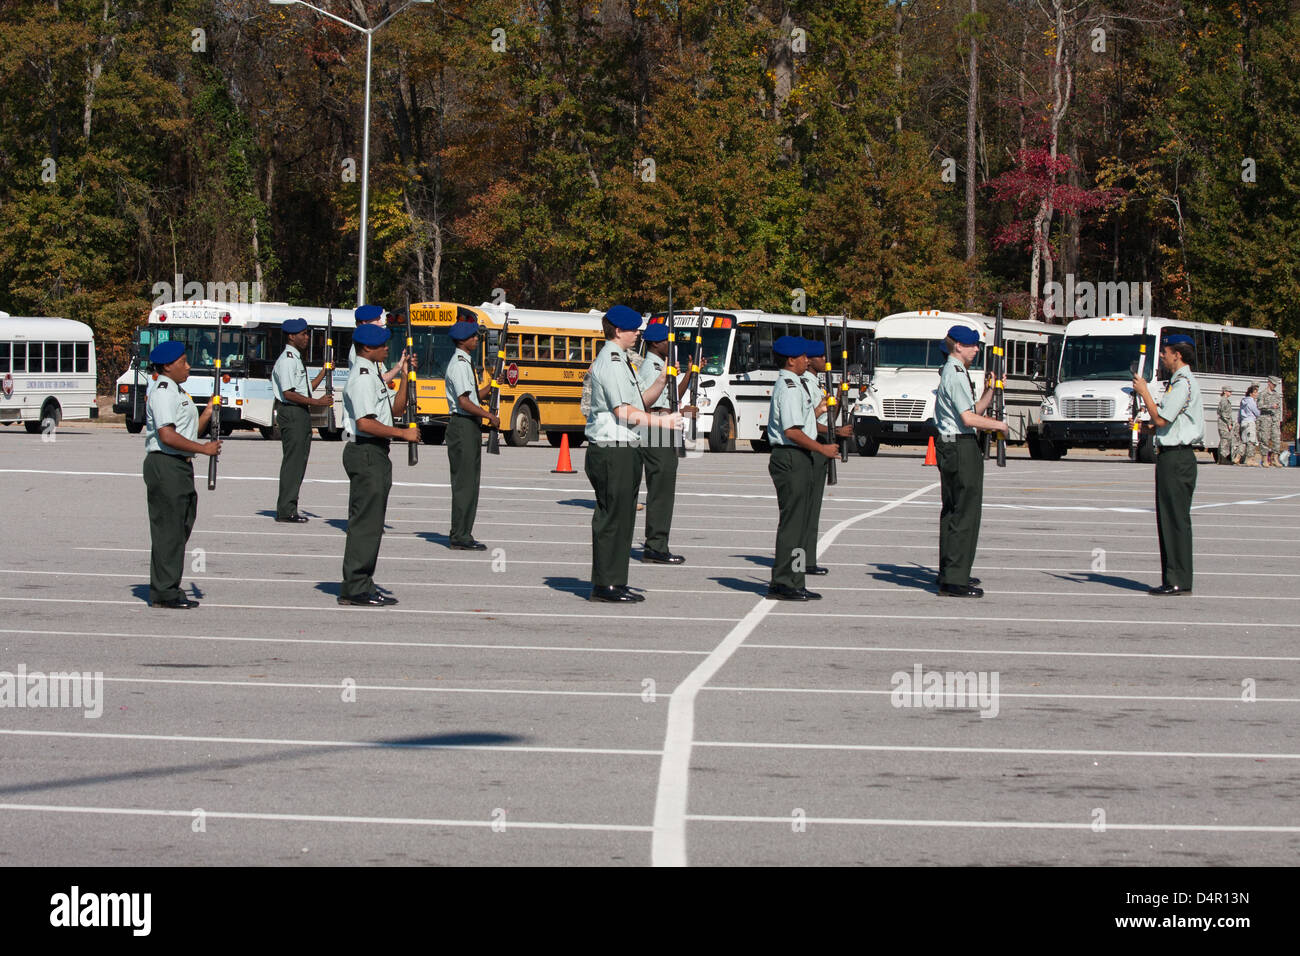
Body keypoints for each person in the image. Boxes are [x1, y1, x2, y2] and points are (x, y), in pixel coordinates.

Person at [584, 305, 681, 603]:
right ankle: (606, 584)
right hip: (612, 449)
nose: (638, 333)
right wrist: (663, 422)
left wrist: (663, 381)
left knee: (623, 518)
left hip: (623, 449)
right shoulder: (612, 361)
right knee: (613, 518)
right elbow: (624, 412)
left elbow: (638, 400)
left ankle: (614, 580)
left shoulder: (622, 360)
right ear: (618, 331)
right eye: (633, 329)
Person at [338, 321, 419, 607]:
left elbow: (393, 410)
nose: (387, 348)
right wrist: (402, 434)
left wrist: (406, 377)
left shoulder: (372, 373)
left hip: (376, 453)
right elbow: (365, 423)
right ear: (368, 348)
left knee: (372, 524)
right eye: (383, 344)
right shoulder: (361, 377)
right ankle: (355, 586)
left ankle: (363, 582)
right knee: (365, 524)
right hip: (366, 451)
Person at [142, 340, 222, 608]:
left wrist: (208, 412)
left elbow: (187, 433)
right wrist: (204, 449)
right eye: (183, 362)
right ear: (167, 366)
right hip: (166, 463)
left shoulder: (177, 391)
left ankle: (167, 583)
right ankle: (164, 591)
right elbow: (167, 435)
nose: (188, 367)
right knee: (169, 530)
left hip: (179, 465)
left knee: (179, 526)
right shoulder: (163, 391)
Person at [934, 325, 1007, 598]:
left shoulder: (955, 372)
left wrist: (989, 390)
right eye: (972, 345)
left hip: (954, 444)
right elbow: (968, 419)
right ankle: (955, 577)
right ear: (958, 347)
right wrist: (999, 424)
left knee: (954, 510)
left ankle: (952, 569)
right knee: (965, 512)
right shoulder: (954, 373)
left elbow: (973, 409)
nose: (977, 349)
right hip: (960, 446)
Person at [766, 336, 839, 601]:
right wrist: (822, 449)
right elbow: (793, 431)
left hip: (796, 457)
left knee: (797, 523)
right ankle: (788, 581)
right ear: (791, 359)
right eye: (803, 357)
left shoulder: (795, 383)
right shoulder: (790, 386)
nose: (808, 360)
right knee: (794, 525)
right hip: (792, 456)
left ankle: (791, 578)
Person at [1132, 333, 1204, 596]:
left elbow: (1163, 418)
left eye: (1165, 351)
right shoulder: (1179, 382)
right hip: (1173, 454)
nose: (1162, 355)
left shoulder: (1183, 383)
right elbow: (1166, 425)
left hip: (1177, 458)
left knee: (1174, 520)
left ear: (1178, 354)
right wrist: (1144, 428)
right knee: (1171, 519)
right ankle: (1175, 577)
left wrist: (1144, 392)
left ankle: (1177, 579)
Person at [635, 322, 696, 564]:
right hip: (657, 427)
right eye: (666, 341)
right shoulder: (651, 367)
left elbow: (673, 397)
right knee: (661, 489)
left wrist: (689, 373)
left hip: (665, 424)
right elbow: (646, 402)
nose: (671, 345)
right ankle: (656, 546)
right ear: (655, 344)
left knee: (664, 488)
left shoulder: (661, 365)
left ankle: (658, 543)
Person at [443, 319, 499, 550]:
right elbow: (464, 402)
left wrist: (494, 383)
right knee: (465, 484)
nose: (477, 339)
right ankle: (460, 535)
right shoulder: (459, 364)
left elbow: (474, 395)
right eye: (473, 337)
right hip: (463, 425)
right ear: (463, 341)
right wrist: (489, 416)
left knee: (470, 483)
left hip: (469, 425)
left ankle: (464, 531)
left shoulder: (465, 362)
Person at [272, 318, 332, 522]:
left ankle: (290, 506)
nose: (307, 338)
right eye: (303, 334)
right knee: (293, 463)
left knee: (299, 463)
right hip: (292, 412)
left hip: (300, 412)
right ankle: (286, 509)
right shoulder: (288, 360)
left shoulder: (296, 358)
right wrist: (317, 402)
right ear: (292, 336)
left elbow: (305, 388)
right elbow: (289, 394)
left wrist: (324, 373)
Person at [802, 339, 853, 577]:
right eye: (821, 357)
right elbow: (809, 422)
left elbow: (828, 420)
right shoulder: (807, 384)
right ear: (810, 360)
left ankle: (807, 558)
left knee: (814, 508)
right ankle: (804, 560)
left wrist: (842, 397)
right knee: (808, 508)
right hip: (814, 447)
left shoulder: (817, 384)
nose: (825, 360)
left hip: (821, 444)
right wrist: (837, 432)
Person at [1259, 375, 1283, 467]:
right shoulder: (1263, 394)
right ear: (1269, 382)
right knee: (1264, 439)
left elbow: (1279, 408)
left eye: (1275, 385)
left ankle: (1275, 458)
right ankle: (1265, 459)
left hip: (1274, 420)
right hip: (1265, 419)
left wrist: (1278, 420)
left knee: (1276, 439)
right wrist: (1270, 406)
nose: (1274, 386)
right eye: (1273, 384)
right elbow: (1259, 406)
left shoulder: (1276, 394)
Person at [1235, 384, 1260, 465]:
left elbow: (1239, 413)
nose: (1256, 394)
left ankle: (1237, 457)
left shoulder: (1243, 401)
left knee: (1244, 441)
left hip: (1243, 422)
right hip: (1250, 422)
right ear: (1251, 393)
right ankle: (1250, 459)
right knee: (1251, 441)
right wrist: (1260, 414)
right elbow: (1256, 412)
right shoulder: (1251, 401)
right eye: (1255, 392)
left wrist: (1239, 421)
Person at [1216, 387, 1237, 465]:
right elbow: (1224, 413)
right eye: (1229, 391)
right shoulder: (1224, 401)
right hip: (1224, 423)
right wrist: (1229, 423)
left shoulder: (1224, 400)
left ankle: (1221, 459)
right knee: (1225, 440)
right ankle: (1223, 459)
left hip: (1223, 422)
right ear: (1225, 392)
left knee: (1223, 440)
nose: (1230, 393)